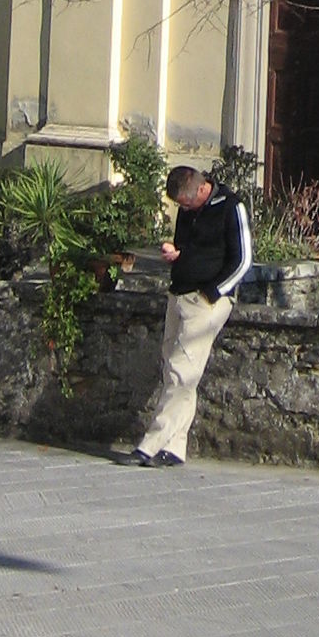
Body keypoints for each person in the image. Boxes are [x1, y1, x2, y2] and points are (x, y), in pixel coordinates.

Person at [132, 162, 253, 466]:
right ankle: (175, 448)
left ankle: (150, 443)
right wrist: (177, 254)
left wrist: (213, 292)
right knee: (176, 369)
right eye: (180, 205)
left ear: (202, 188)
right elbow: (190, 248)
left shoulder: (231, 207)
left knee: (181, 372)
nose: (184, 208)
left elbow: (244, 260)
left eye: (187, 202)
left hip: (206, 302)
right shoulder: (187, 209)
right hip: (179, 294)